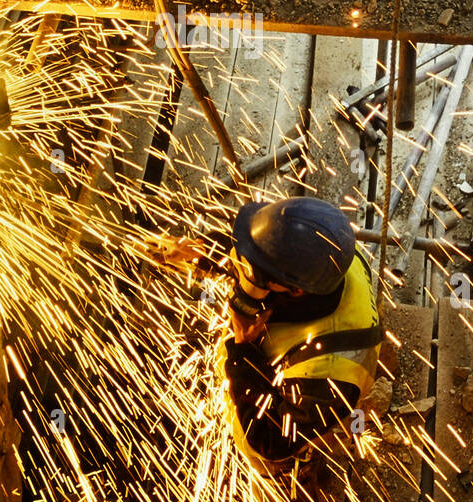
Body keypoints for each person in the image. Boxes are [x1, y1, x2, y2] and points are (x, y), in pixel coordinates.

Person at [152, 197, 382, 476]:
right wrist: (198, 252)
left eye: (259, 275)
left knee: (265, 452)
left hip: (304, 412)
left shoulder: (329, 374)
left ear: (295, 291)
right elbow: (261, 251)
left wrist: (243, 351)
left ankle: (293, 467)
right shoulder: (328, 252)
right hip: (305, 342)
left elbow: (270, 438)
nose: (249, 272)